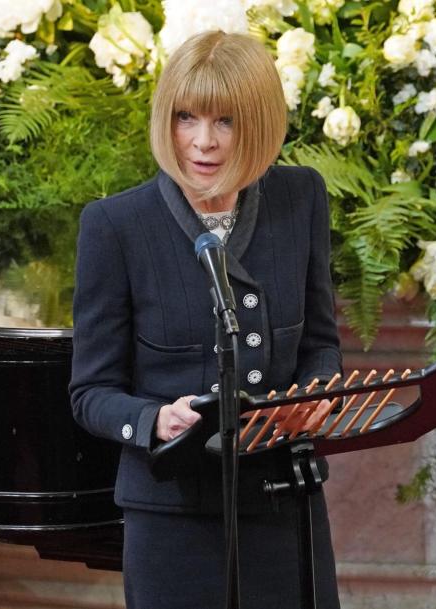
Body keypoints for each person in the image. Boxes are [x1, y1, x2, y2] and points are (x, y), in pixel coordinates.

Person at [69, 30, 343, 609]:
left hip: (282, 501)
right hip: (171, 515)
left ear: (261, 122)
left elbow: (320, 343)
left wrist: (320, 395)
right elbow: (91, 393)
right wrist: (153, 420)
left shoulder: (303, 197)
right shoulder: (115, 225)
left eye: (226, 122)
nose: (202, 142)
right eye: (185, 118)